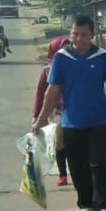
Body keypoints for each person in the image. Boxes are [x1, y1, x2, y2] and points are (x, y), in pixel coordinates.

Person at [32, 14, 106, 211]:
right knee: (76, 166)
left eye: (83, 35)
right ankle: (85, 205)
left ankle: (102, 207)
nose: (78, 39)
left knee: (98, 163)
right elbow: (52, 89)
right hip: (70, 122)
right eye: (75, 34)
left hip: (98, 121)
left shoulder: (102, 57)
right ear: (70, 34)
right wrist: (40, 118)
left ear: (92, 35)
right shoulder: (61, 58)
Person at [32, 37, 70, 187]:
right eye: (61, 50)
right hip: (56, 112)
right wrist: (36, 116)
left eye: (68, 48)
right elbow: (41, 94)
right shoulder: (47, 71)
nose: (65, 52)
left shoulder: (75, 65)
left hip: (75, 109)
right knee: (58, 143)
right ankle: (62, 174)